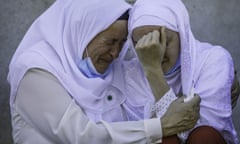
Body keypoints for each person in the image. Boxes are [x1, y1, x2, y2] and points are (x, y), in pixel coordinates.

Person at [7, 0, 201, 143]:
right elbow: (80, 136)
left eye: (122, 43)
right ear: (81, 32)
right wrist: (161, 127)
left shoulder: (110, 70)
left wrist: (220, 76)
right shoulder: (34, 70)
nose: (115, 53)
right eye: (110, 42)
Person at [128, 0, 239, 143]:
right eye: (144, 45)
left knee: (204, 135)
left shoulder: (212, 60)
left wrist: (154, 71)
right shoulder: (130, 74)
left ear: (182, 35)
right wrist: (151, 70)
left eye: (164, 41)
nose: (156, 52)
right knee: (162, 138)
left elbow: (206, 128)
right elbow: (141, 135)